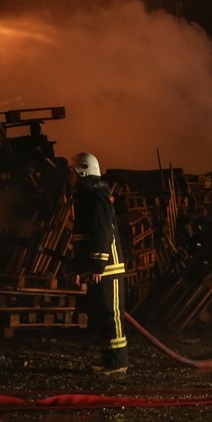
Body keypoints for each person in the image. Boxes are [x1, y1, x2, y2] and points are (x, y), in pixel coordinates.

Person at [69, 152, 129, 375]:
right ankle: (109, 361)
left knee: (111, 315)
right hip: (97, 271)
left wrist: (96, 266)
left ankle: (118, 363)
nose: (71, 178)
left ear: (83, 173)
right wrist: (78, 268)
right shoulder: (85, 198)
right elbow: (83, 239)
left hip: (107, 270)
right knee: (103, 316)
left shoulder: (98, 197)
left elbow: (103, 234)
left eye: (73, 174)